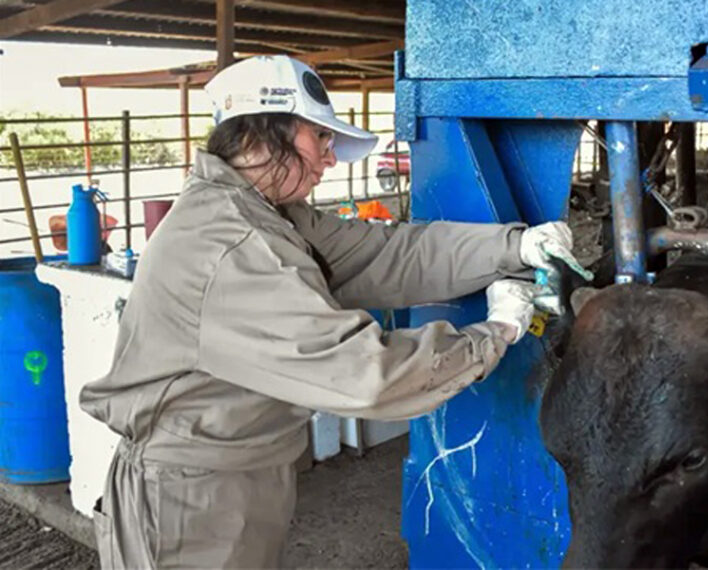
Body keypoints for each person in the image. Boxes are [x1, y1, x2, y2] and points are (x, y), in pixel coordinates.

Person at [81, 55, 584, 569]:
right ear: (260, 135)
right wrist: (494, 332)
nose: (329, 159)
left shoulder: (272, 216)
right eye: (318, 139)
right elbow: (366, 374)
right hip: (186, 498)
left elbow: (388, 254)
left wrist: (514, 247)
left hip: (243, 473)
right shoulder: (228, 243)